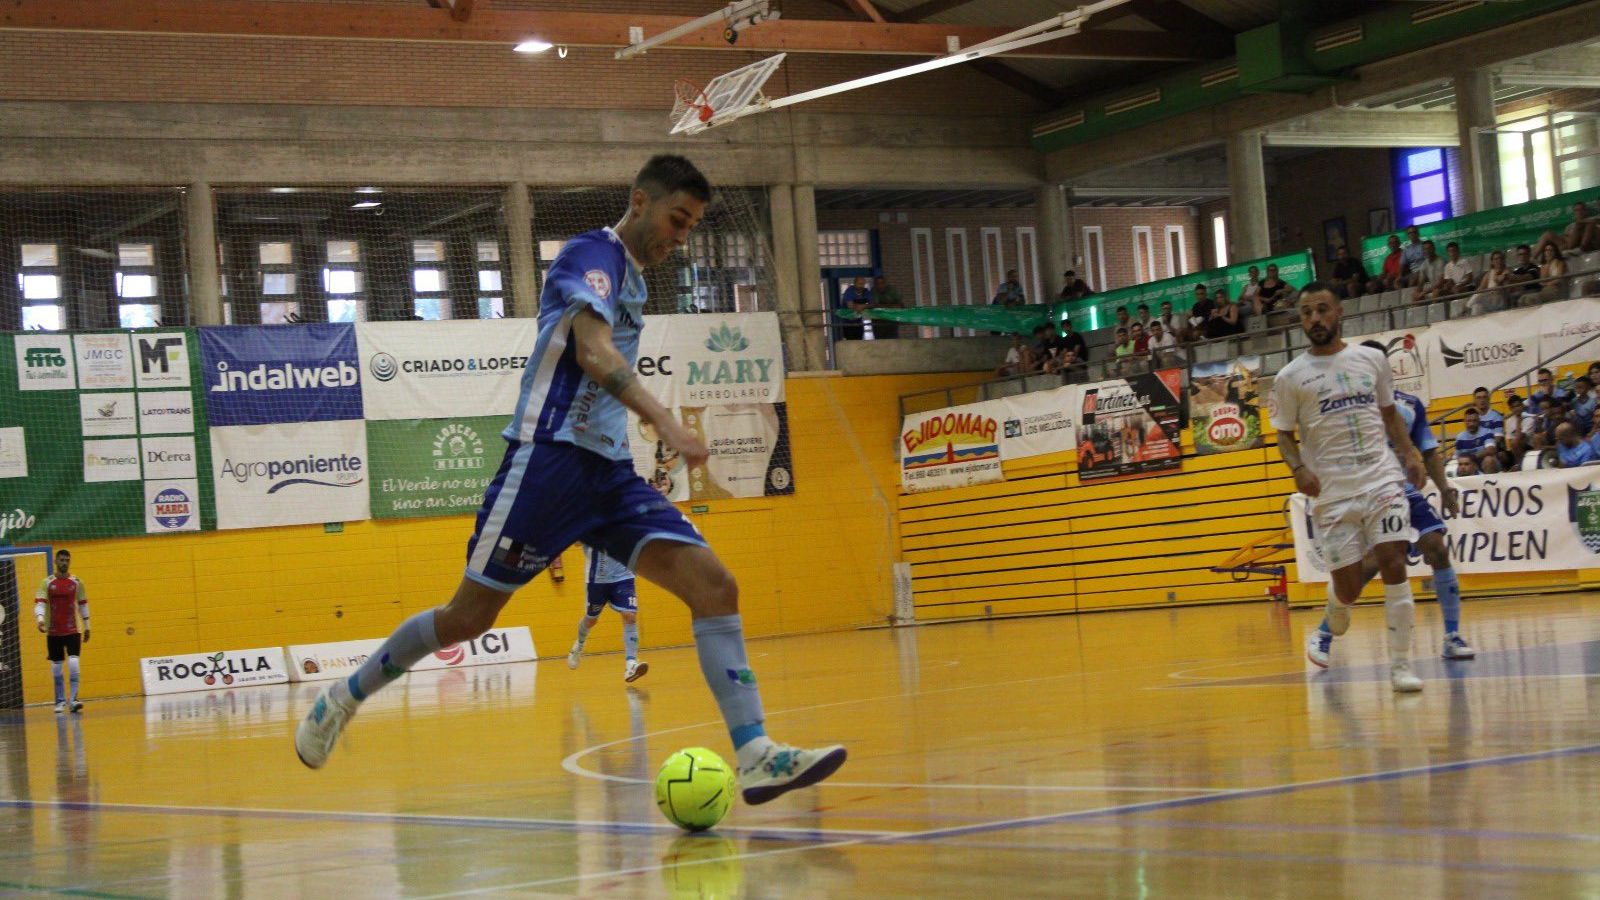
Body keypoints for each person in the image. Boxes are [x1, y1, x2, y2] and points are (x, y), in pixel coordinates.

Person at [293, 156, 847, 803]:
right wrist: (667, 420)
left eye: (693, 227)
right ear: (640, 202)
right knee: (467, 618)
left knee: (716, 586)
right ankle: (342, 697)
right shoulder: (592, 255)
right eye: (677, 220)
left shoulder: (636, 282)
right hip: (547, 464)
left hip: (608, 476)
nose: (682, 237)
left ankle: (754, 753)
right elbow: (593, 352)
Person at [1271, 282, 1429, 692]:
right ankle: (1336, 604)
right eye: (1306, 313)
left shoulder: (1371, 359)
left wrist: (1411, 455)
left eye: (1322, 310)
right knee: (1348, 585)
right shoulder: (1290, 378)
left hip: (1381, 478)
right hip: (1333, 492)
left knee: (1394, 562)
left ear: (1339, 312)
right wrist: (1297, 469)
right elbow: (1284, 434)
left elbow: (1391, 414)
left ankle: (1400, 665)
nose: (1315, 319)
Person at [1307, 340, 1476, 671]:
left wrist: (1444, 487)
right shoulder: (1344, 402)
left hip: (1401, 489)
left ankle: (1452, 637)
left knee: (1437, 548)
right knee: (1368, 568)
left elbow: (1427, 449)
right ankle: (1324, 633)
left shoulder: (1409, 404)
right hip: (1362, 491)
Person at [568, 547, 648, 683]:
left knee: (630, 615)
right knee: (591, 620)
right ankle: (580, 644)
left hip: (624, 576)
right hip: (597, 580)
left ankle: (631, 664)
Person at [34, 549, 88, 714]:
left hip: (73, 630)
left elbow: (83, 604)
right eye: (61, 560)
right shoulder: (47, 583)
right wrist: (40, 619)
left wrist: (88, 625)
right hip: (54, 631)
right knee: (57, 668)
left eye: (67, 560)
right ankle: (59, 701)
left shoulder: (77, 582)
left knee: (73, 663)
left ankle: (73, 700)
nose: (64, 562)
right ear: (56, 562)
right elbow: (40, 602)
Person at [1467, 250, 1511, 315]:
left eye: (1500, 258)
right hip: (1489, 299)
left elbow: (1502, 286)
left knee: (1480, 296)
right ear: (1492, 262)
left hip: (1501, 300)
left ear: (1503, 260)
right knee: (1476, 306)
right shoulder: (1489, 274)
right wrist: (1472, 296)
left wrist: (1498, 278)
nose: (1498, 261)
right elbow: (1480, 288)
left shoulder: (1507, 273)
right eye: (1496, 259)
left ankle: (1466, 307)